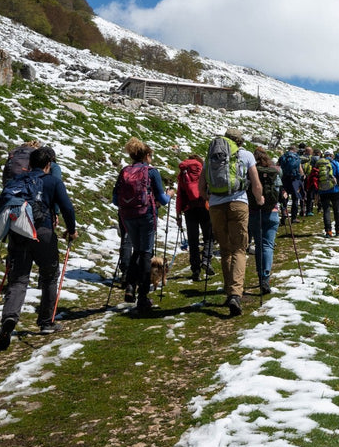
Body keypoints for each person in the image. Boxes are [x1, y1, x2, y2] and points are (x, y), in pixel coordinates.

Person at [0, 146, 76, 350]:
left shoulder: (17, 182)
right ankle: (46, 322)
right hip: (42, 232)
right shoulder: (53, 181)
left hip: (18, 232)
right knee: (49, 275)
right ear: (49, 164)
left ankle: (8, 321)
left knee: (18, 279)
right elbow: (67, 207)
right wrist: (71, 230)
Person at [202, 128, 263, 316]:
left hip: (216, 206)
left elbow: (200, 187)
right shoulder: (245, 155)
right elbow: (256, 183)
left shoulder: (212, 156)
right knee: (239, 248)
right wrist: (259, 199)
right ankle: (236, 294)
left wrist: (209, 200)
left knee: (226, 249)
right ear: (240, 141)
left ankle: (230, 291)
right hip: (238, 203)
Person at [113, 138, 174, 315]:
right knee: (146, 252)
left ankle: (130, 286)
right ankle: (143, 297)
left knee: (136, 251)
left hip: (127, 216)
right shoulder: (152, 172)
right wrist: (169, 195)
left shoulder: (124, 171)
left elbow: (115, 199)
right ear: (147, 156)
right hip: (146, 215)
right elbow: (162, 199)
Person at [248, 148, 281, 294]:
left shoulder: (251, 171)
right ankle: (265, 277)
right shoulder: (274, 171)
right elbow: (279, 190)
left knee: (259, 245)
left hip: (255, 212)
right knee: (268, 246)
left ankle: (260, 277)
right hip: (272, 212)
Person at [177, 153, 213, 282]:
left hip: (189, 209)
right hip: (204, 206)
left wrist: (178, 214)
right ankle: (206, 260)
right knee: (208, 236)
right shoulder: (202, 170)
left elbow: (180, 194)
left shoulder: (183, 173)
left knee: (193, 241)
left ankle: (195, 271)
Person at [314, 150, 339, 237]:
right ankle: (338, 230)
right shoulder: (335, 163)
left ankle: (328, 231)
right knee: (336, 210)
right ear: (331, 155)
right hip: (334, 189)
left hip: (322, 190)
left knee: (326, 210)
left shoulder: (318, 164)